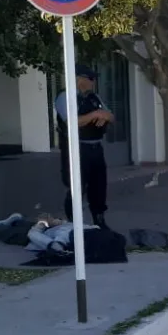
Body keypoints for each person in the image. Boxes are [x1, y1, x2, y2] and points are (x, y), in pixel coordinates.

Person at [55, 64, 114, 229]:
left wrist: (104, 116)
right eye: (90, 79)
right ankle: (74, 224)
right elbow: (72, 121)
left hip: (96, 148)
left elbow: (111, 116)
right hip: (76, 148)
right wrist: (95, 114)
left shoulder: (94, 97)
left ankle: (99, 220)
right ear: (78, 79)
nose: (93, 82)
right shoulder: (65, 97)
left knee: (99, 187)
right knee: (76, 187)